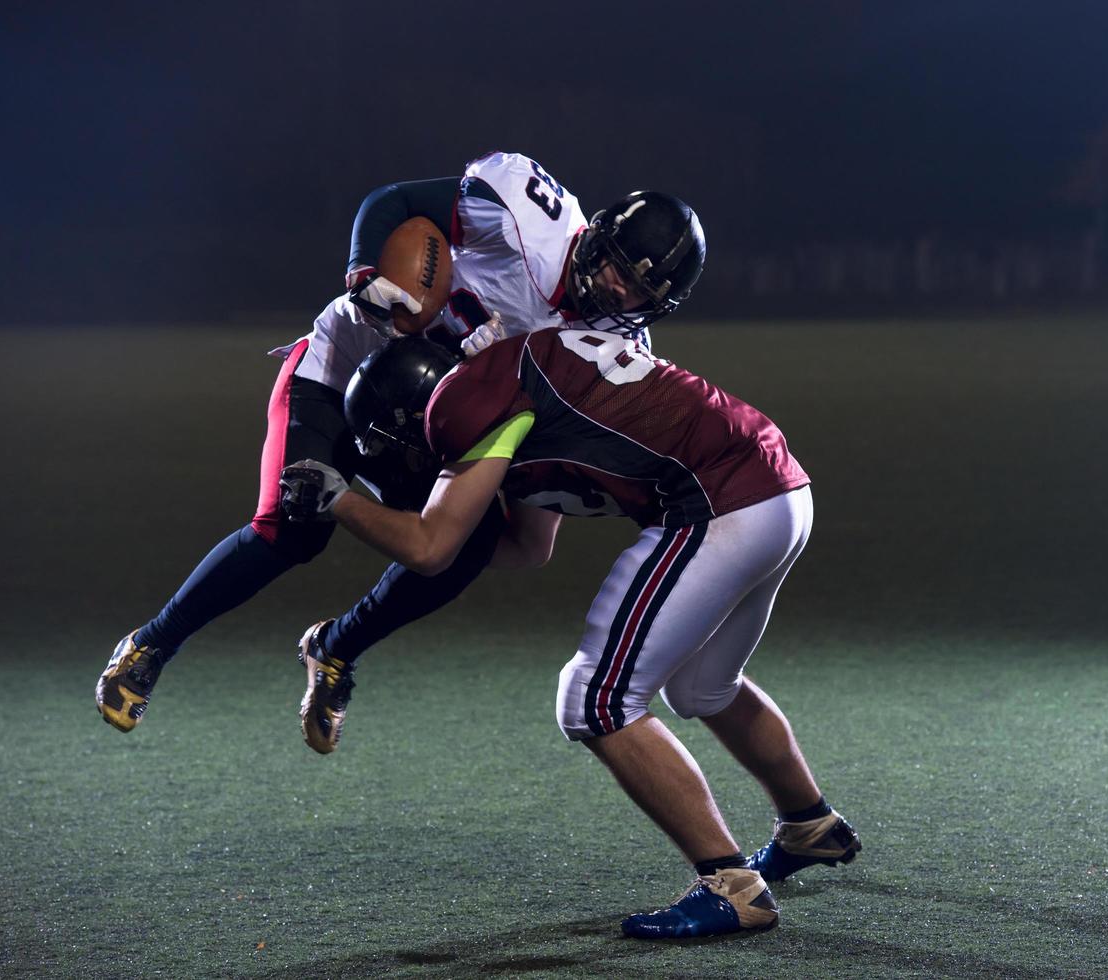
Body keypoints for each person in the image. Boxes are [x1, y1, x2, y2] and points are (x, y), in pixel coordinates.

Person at [94, 150, 706, 751]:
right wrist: (367, 272)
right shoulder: (529, 213)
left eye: (637, 289)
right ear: (598, 235)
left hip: (430, 421)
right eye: (618, 265)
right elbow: (398, 203)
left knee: (474, 548)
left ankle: (335, 649)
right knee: (293, 525)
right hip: (343, 366)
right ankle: (153, 642)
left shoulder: (613, 346)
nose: (614, 287)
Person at [277, 331, 861, 938]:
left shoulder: (463, 404)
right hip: (780, 492)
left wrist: (339, 501)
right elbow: (529, 547)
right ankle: (810, 827)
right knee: (702, 685)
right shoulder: (508, 385)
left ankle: (732, 888)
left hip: (720, 505)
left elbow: (428, 549)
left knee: (594, 699)